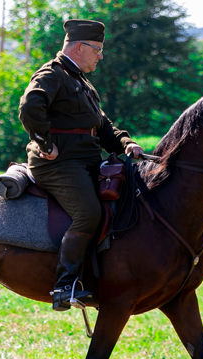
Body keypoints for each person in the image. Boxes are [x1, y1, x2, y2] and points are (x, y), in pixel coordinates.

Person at [18, 19, 144, 311]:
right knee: (89, 212)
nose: (101, 55)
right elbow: (29, 106)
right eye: (98, 49)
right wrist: (45, 143)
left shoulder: (81, 81)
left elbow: (101, 126)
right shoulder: (52, 74)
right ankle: (65, 286)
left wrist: (125, 143)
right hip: (57, 165)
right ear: (79, 47)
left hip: (86, 162)